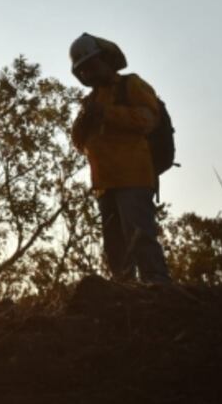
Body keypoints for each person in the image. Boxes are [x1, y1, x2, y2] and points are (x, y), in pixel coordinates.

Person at [69, 33, 171, 284]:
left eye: (92, 66)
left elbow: (147, 120)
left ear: (106, 60)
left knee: (140, 235)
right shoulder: (92, 100)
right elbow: (81, 144)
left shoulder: (131, 85)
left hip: (134, 176)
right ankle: (124, 291)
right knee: (114, 244)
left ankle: (157, 285)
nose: (89, 74)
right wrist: (84, 123)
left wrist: (107, 113)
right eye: (84, 70)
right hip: (105, 183)